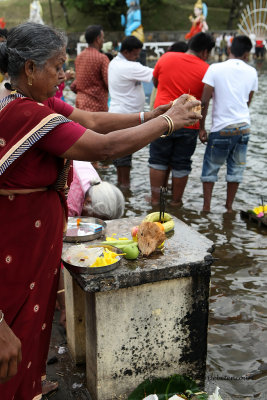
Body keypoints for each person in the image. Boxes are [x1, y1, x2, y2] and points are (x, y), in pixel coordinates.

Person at [0, 22, 201, 399]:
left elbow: (91, 120)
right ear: (29, 68)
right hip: (16, 245)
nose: (65, 74)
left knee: (32, 324)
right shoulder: (26, 114)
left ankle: (30, 384)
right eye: (58, 66)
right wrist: (169, 122)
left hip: (34, 241)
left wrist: (151, 115)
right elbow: (104, 148)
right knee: (13, 329)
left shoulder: (30, 100)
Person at [149, 32, 215, 205]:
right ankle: (176, 203)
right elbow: (206, 101)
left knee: (157, 159)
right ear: (205, 52)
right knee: (182, 163)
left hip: (163, 118)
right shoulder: (207, 69)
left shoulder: (166, 57)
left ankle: (155, 200)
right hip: (189, 123)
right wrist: (202, 127)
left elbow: (156, 82)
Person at [199, 35, 258, 213]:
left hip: (221, 129)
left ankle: (206, 208)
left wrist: (201, 127)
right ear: (247, 54)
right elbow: (248, 101)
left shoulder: (215, 69)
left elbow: (204, 100)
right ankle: (229, 208)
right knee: (236, 171)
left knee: (210, 170)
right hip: (243, 127)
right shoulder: (252, 72)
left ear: (229, 49)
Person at [108, 35, 154, 188]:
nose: (137, 58)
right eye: (135, 54)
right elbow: (156, 74)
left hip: (117, 113)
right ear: (127, 52)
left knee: (121, 154)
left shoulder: (115, 62)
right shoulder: (128, 66)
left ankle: (122, 187)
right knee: (124, 156)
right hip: (125, 116)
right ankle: (124, 188)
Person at [70, 25, 109, 112]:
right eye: (103, 38)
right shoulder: (102, 58)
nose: (103, 41)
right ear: (98, 39)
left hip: (80, 105)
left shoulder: (79, 57)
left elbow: (74, 85)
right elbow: (109, 83)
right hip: (97, 108)